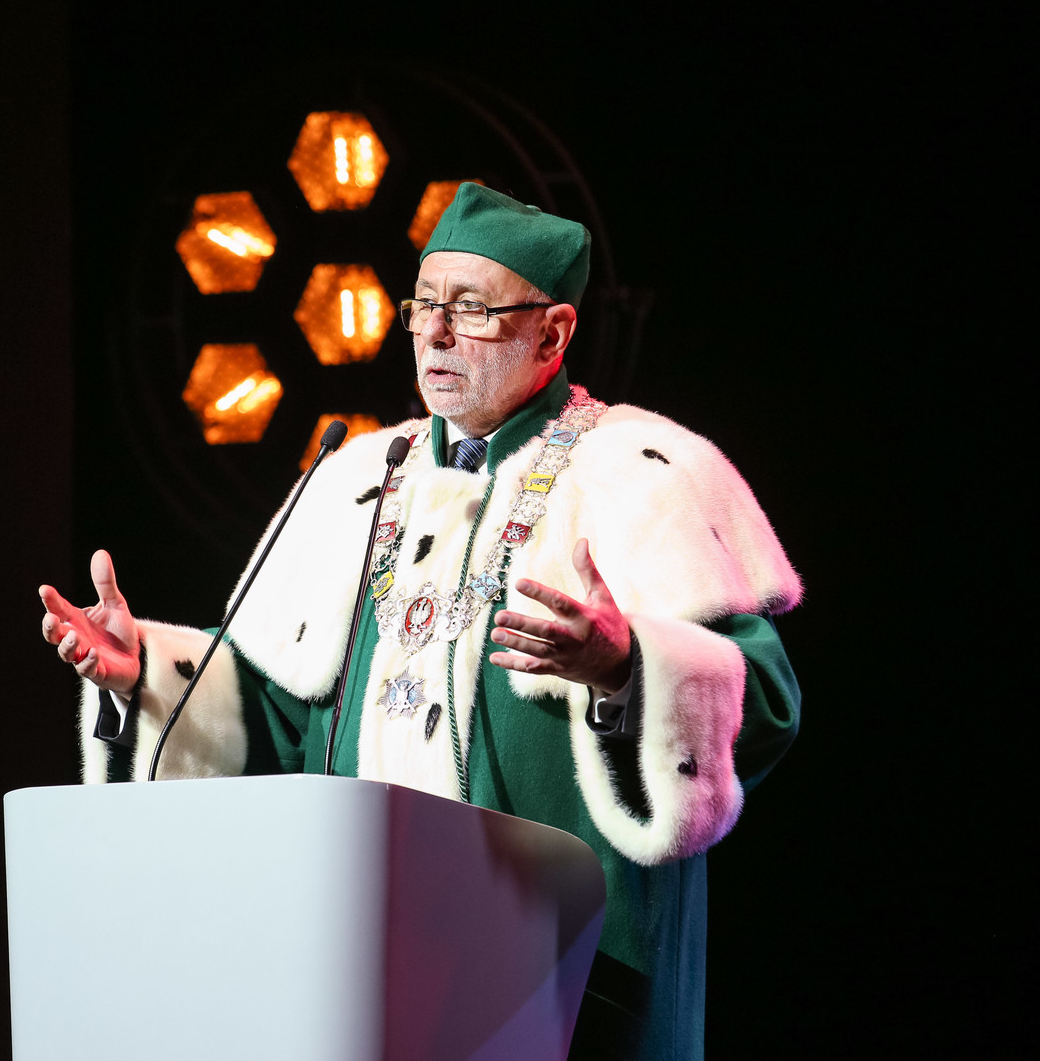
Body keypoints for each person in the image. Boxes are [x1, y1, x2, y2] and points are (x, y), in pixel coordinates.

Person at [39, 182, 802, 1059]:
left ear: (552, 333)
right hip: (360, 970)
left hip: (568, 979)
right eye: (423, 306)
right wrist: (144, 673)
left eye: (470, 309)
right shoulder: (353, 478)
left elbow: (766, 700)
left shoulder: (644, 473)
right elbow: (279, 714)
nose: (435, 333)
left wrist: (627, 669)